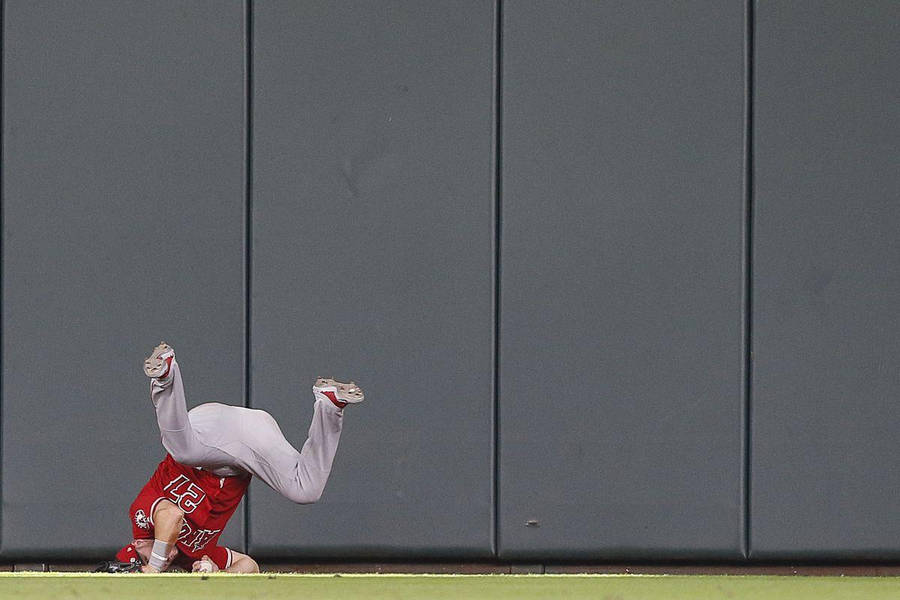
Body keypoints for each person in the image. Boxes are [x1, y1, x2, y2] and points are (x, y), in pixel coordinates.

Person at [108, 342, 364, 573]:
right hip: (251, 439)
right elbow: (249, 565)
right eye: (142, 564)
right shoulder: (190, 558)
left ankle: (165, 376)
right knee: (306, 489)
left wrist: (153, 567)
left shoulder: (140, 518)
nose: (150, 560)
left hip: (208, 434)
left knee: (183, 451)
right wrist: (217, 576)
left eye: (140, 559)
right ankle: (329, 405)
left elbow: (170, 516)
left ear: (138, 544)